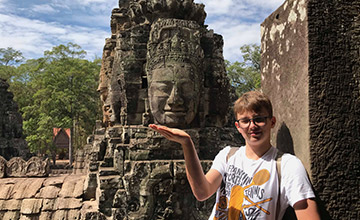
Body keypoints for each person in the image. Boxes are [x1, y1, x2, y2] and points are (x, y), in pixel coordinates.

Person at [149, 91, 320, 220]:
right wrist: (187, 143)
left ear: (272, 122)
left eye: (259, 119)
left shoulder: (287, 166)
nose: (252, 126)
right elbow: (202, 192)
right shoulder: (228, 155)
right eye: (245, 121)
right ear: (238, 126)